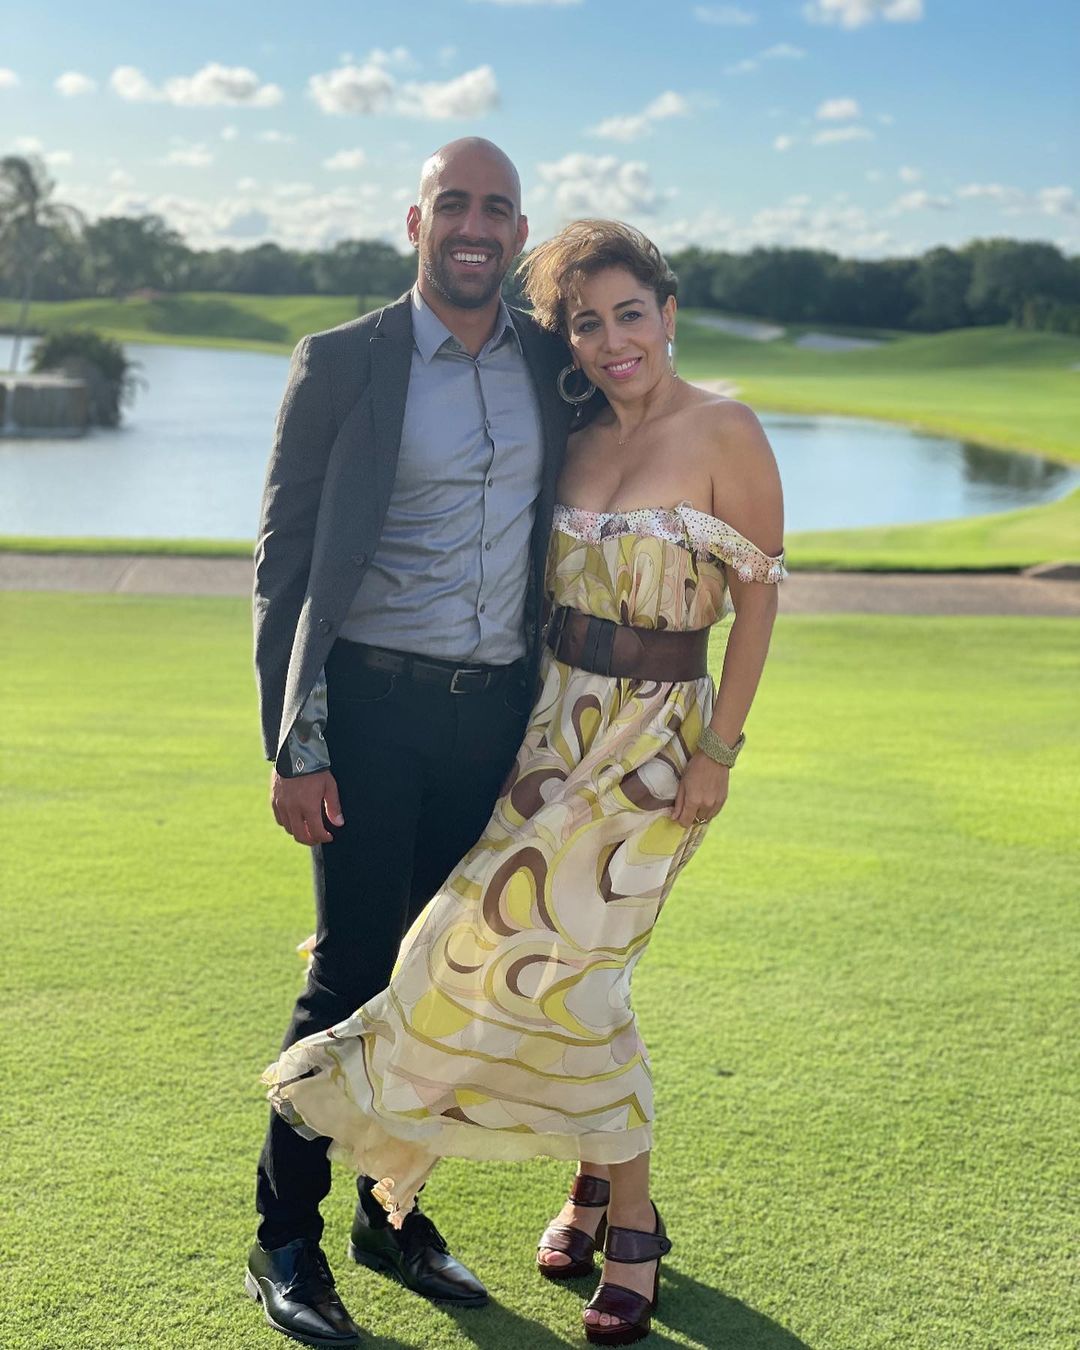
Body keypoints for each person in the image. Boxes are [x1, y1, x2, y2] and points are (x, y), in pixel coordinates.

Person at [263, 219, 786, 1346]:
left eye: (630, 313)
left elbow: (758, 603)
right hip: (543, 733)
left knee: (584, 977)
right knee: (505, 958)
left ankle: (632, 1223)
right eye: (587, 324)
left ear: (668, 312)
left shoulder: (727, 430)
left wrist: (718, 751)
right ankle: (575, 1188)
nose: (612, 341)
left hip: (654, 748)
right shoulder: (573, 432)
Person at [247, 138, 571, 1348]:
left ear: (518, 230)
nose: (474, 225)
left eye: (497, 208)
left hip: (494, 722)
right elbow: (283, 565)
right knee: (352, 974)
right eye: (454, 205)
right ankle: (284, 1238)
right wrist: (293, 742)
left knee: (443, 988)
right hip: (370, 714)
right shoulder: (343, 361)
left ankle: (391, 1215)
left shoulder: (552, 365)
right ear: (417, 220)